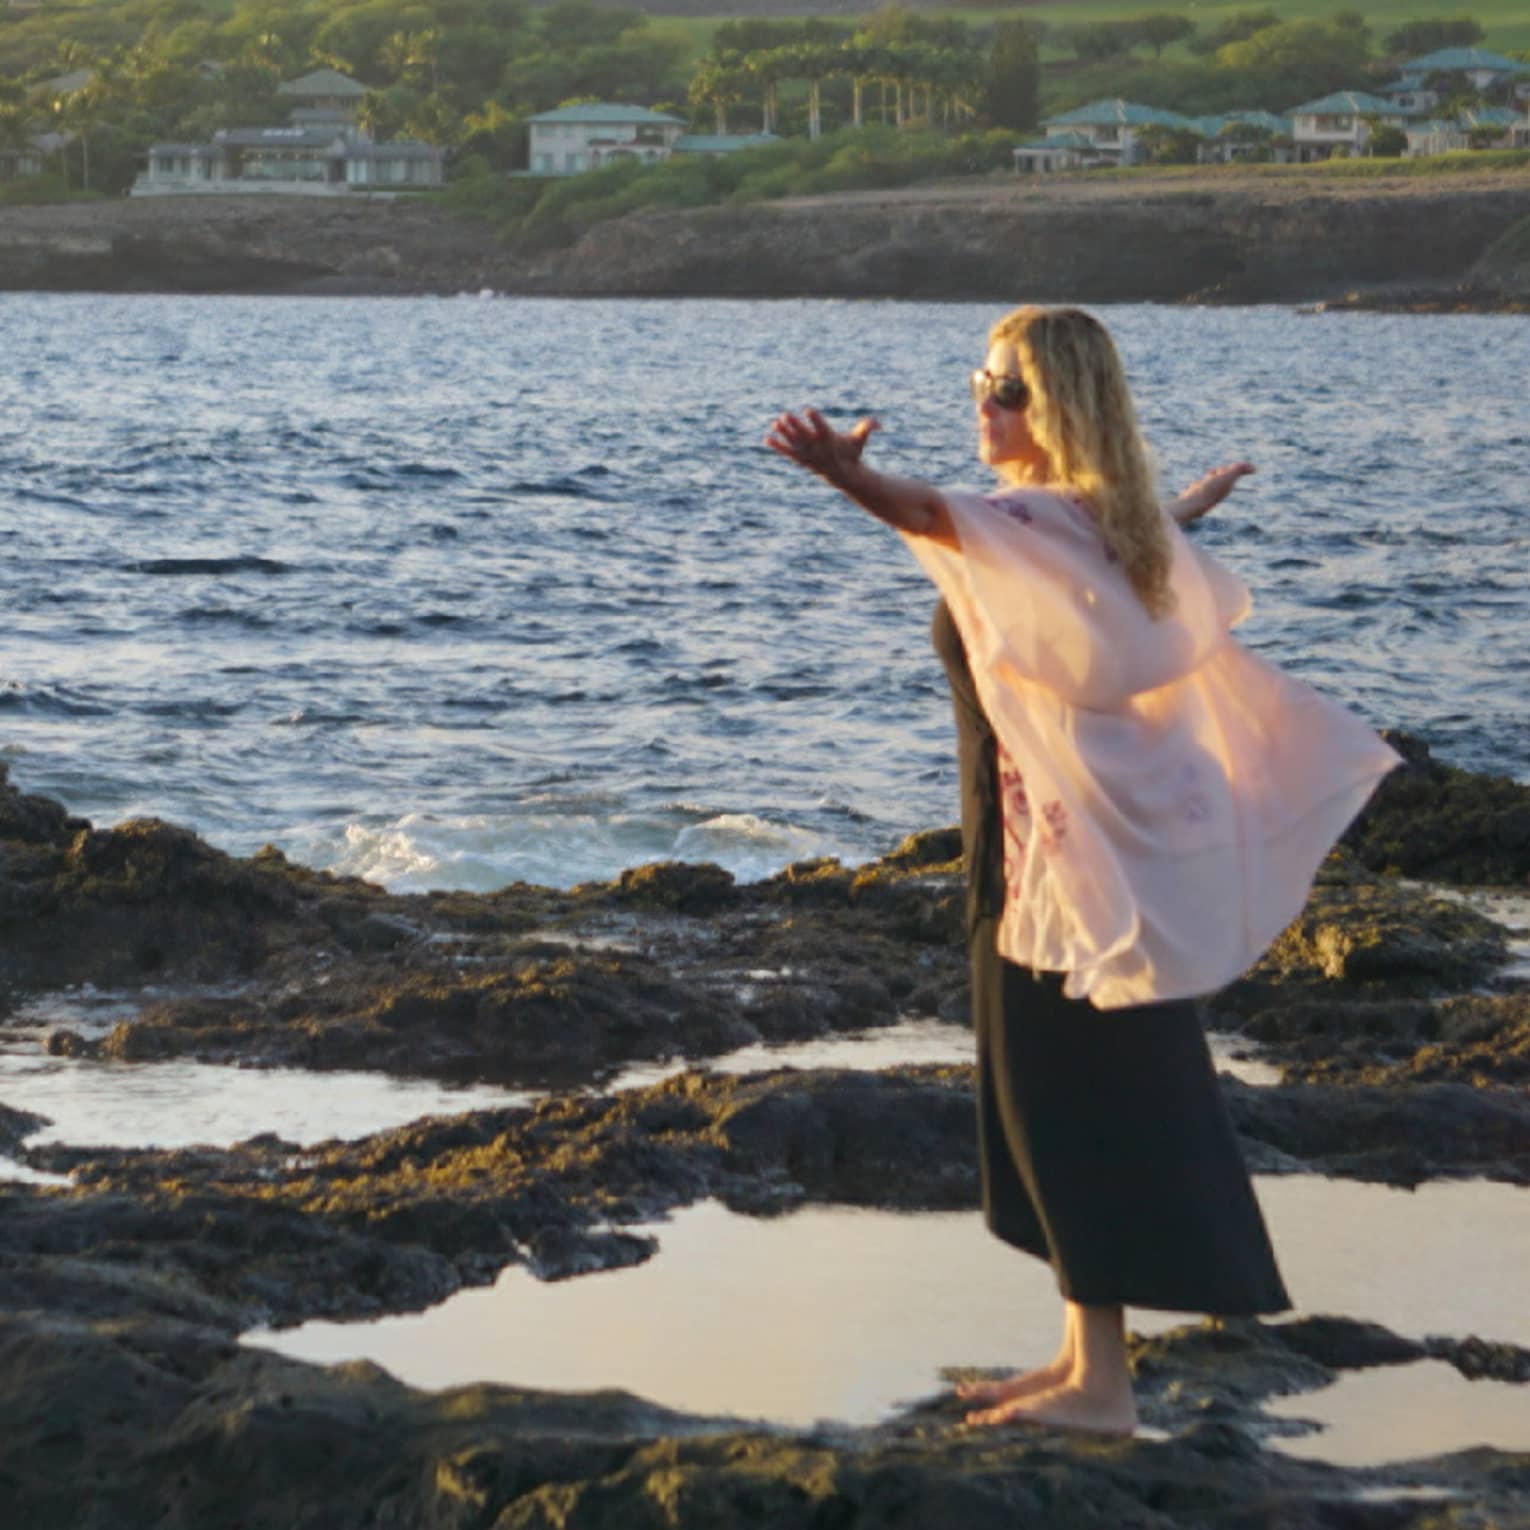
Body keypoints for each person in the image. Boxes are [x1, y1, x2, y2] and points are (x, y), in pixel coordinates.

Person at [766, 305, 1398, 1437]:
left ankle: (1102, 1391)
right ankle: (1078, 1357)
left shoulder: (1037, 519)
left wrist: (840, 476)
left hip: (1050, 867)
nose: (982, 402)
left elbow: (928, 510)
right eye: (979, 379)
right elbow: (1120, 527)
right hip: (1047, 851)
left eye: (1005, 390)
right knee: (1065, 1100)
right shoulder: (1102, 520)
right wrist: (1190, 504)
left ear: (1057, 408)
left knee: (1071, 1103)